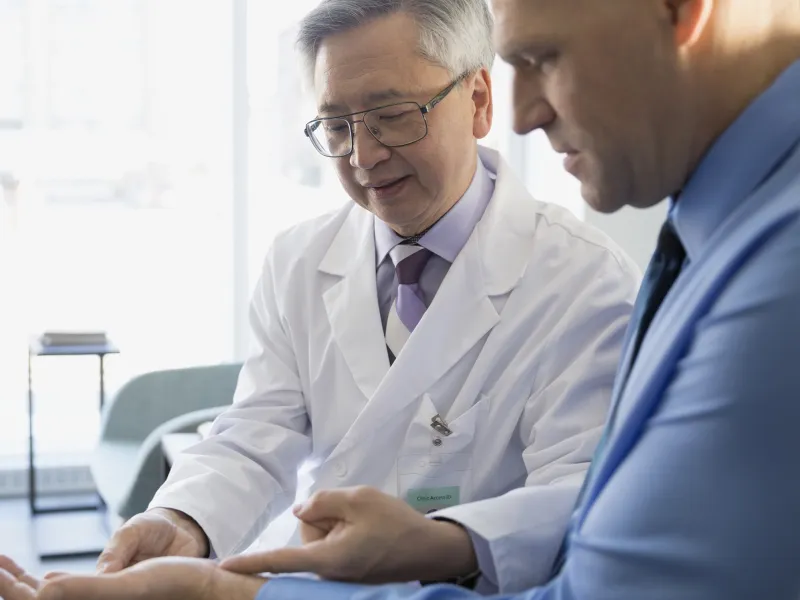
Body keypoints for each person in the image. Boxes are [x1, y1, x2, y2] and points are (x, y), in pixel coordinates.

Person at [8, 0, 800, 597]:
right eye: (337, 126)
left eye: (391, 116)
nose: (364, 156)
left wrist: (449, 539)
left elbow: (581, 499)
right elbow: (258, 429)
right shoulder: (301, 258)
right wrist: (185, 520)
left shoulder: (584, 278)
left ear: (478, 102)